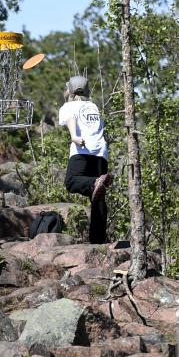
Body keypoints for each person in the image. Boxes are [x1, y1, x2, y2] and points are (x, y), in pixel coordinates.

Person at [59, 75, 113, 244]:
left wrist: (74, 136)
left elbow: (71, 119)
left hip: (82, 150)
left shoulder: (68, 106)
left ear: (71, 90)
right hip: (100, 153)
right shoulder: (93, 107)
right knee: (98, 197)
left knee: (71, 182)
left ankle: (93, 183)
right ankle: (98, 241)